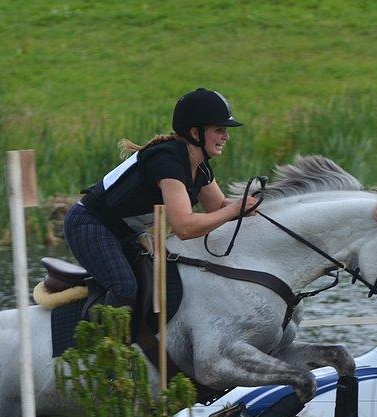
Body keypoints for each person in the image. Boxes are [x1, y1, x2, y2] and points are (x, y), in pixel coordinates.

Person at [62, 87, 257, 312]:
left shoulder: (199, 165)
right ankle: (99, 345)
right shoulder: (167, 162)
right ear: (196, 133)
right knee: (125, 289)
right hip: (90, 225)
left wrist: (252, 206)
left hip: (124, 233)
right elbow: (184, 227)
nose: (226, 136)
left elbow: (217, 207)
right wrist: (234, 210)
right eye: (219, 129)